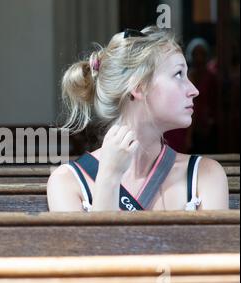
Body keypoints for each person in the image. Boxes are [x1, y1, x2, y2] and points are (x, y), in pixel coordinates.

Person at [47, 26, 228, 212]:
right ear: (139, 87)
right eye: (178, 74)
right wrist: (109, 177)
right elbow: (98, 242)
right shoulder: (66, 182)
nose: (194, 90)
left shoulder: (206, 175)